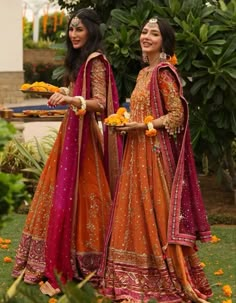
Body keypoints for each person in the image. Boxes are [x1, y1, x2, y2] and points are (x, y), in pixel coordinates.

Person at [98, 17, 213, 303]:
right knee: (133, 213)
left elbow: (177, 116)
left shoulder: (164, 72)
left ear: (164, 42)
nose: (146, 36)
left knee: (156, 214)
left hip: (154, 155)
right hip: (135, 154)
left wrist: (142, 127)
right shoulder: (142, 74)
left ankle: (164, 277)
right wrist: (126, 123)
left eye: (154, 33)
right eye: (144, 31)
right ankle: (131, 276)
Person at [12, 8, 122, 296]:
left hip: (84, 139)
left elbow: (100, 102)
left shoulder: (97, 61)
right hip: (71, 135)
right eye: (71, 29)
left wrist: (72, 98)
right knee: (61, 197)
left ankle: (83, 260)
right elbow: (80, 94)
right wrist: (66, 91)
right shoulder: (81, 61)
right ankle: (60, 256)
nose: (74, 34)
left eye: (79, 29)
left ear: (91, 31)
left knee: (83, 197)